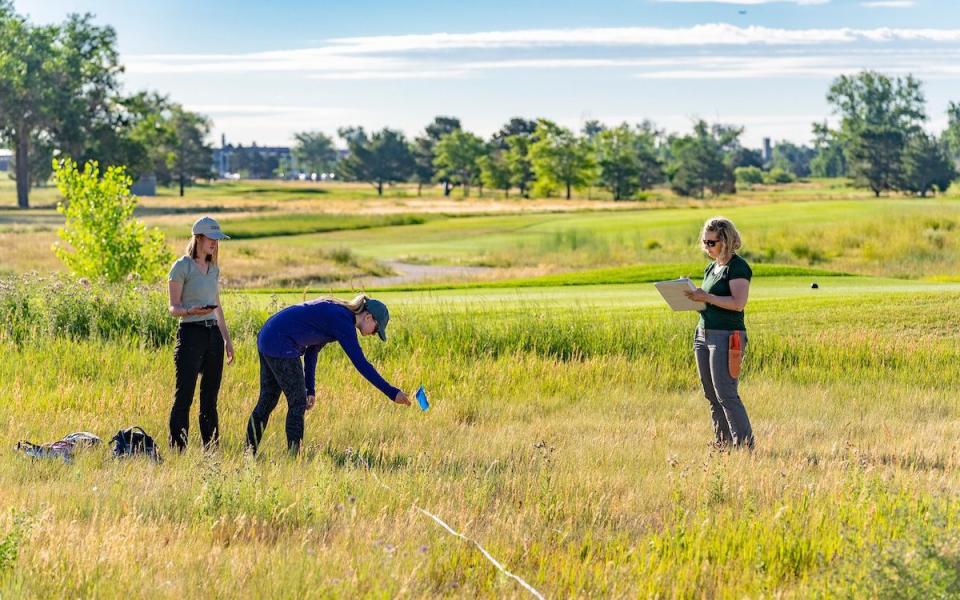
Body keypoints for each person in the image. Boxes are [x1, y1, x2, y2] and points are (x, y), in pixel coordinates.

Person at [245, 294, 410, 455]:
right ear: (368, 317)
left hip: (268, 335)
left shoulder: (338, 314)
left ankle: (248, 455)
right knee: (297, 403)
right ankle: (293, 459)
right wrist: (392, 393)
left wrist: (310, 389)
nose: (374, 334)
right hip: (281, 341)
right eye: (376, 330)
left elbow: (312, 351)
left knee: (267, 401)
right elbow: (361, 364)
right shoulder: (342, 321)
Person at [684, 216, 754, 450]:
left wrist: (707, 297)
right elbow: (710, 301)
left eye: (711, 242)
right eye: (705, 242)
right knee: (711, 394)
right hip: (703, 333)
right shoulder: (711, 267)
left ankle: (744, 445)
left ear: (725, 240)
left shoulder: (738, 267)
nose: (707, 247)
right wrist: (694, 298)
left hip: (726, 336)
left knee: (726, 393)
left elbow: (738, 303)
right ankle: (722, 443)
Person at [167, 217, 235, 451]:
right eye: (211, 238)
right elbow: (173, 308)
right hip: (190, 335)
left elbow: (217, 306)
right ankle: (178, 449)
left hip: (213, 335)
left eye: (217, 239)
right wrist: (190, 311)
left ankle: (211, 450)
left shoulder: (213, 268)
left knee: (210, 399)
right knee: (184, 396)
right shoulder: (181, 267)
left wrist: (226, 339)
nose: (215, 243)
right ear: (198, 238)